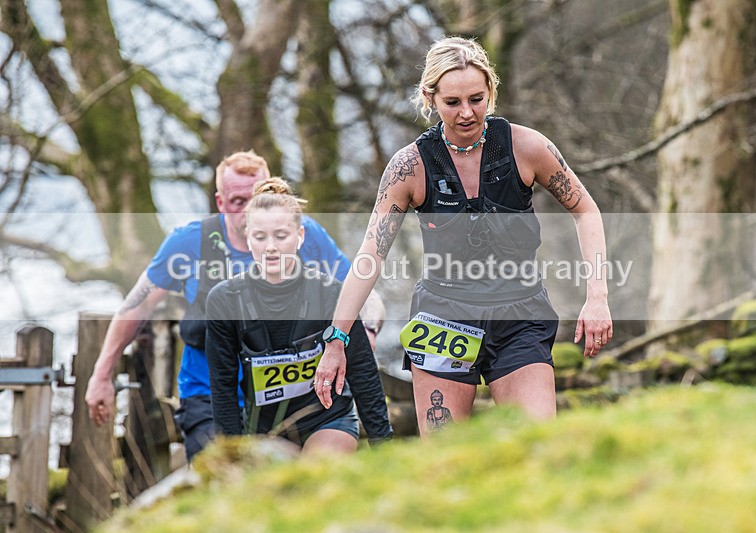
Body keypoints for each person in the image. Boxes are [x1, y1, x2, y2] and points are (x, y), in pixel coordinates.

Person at [314, 36, 613, 436]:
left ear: (491, 90)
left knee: (536, 445)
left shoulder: (526, 147)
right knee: (447, 455)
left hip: (518, 314)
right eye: (453, 103)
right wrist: (337, 337)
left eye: (477, 98)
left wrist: (597, 298)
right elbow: (371, 255)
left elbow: (586, 210)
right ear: (430, 98)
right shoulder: (410, 166)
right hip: (443, 318)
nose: (467, 113)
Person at [85, 150, 352, 461]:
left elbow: (356, 292)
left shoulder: (304, 235)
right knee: (225, 481)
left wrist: (362, 334)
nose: (250, 207)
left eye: (257, 195)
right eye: (238, 201)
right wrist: (102, 375)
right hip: (210, 398)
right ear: (220, 202)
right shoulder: (190, 243)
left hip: (292, 397)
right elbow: (135, 306)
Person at [205, 179, 392, 453]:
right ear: (247, 238)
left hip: (328, 419)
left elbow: (363, 371)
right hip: (263, 430)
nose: (270, 247)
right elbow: (223, 386)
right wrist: (230, 457)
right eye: (260, 237)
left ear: (300, 235)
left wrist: (383, 446)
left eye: (281, 236)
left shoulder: (331, 293)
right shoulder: (224, 300)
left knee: (316, 477)